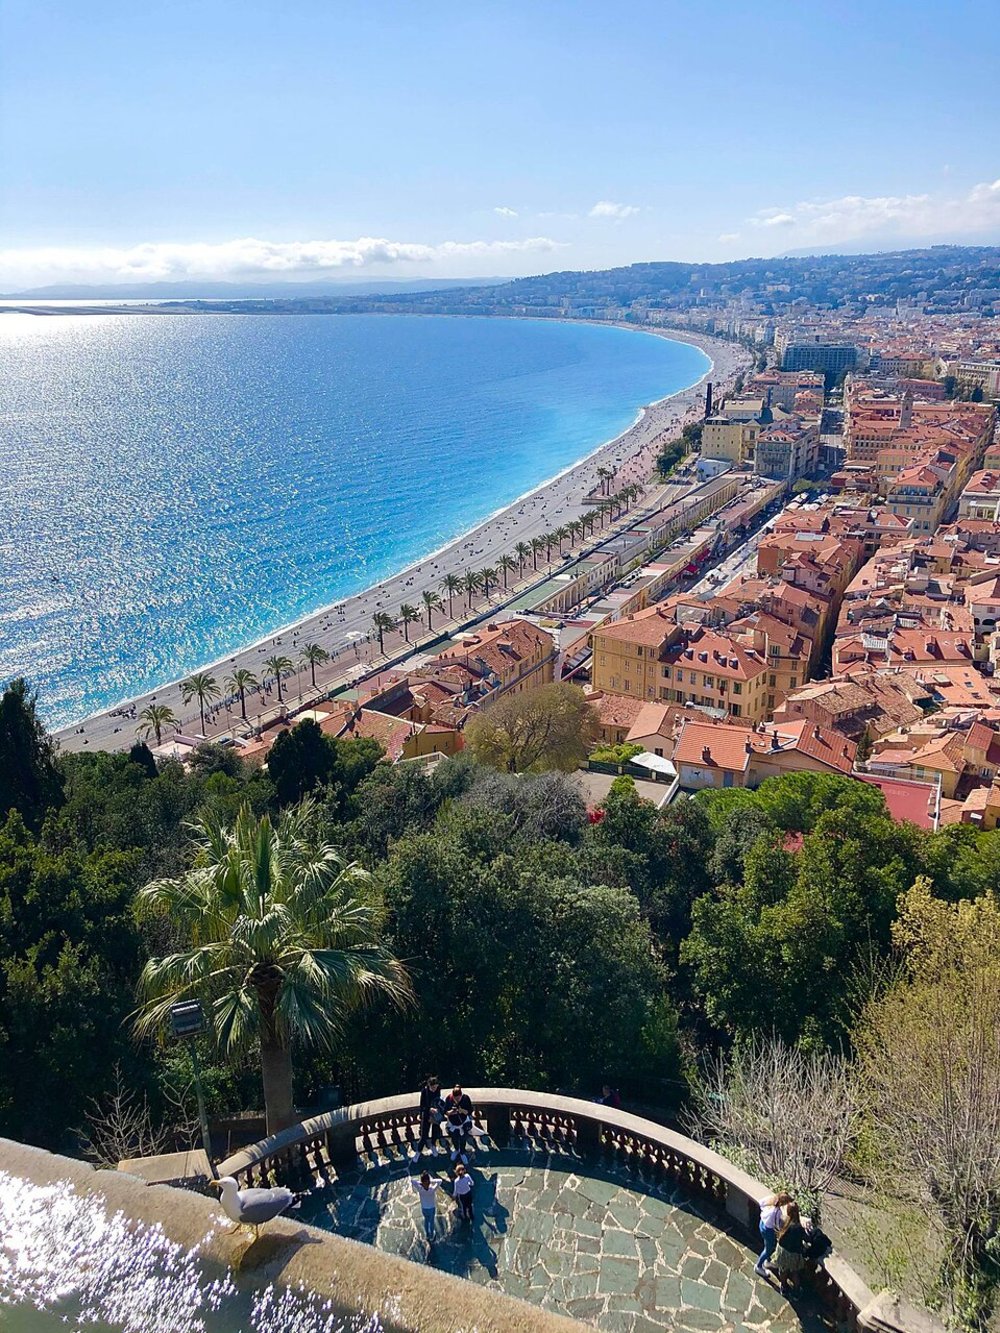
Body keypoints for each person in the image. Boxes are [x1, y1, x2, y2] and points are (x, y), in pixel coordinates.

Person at [772, 1201, 808, 1296]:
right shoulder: (798, 1227)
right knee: (795, 1273)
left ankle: (784, 1287)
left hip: (782, 1251)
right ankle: (796, 1292)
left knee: (783, 1270)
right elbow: (806, 1238)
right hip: (793, 1254)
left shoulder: (784, 1221)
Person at [754, 1191, 792, 1277]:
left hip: (762, 1224)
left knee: (767, 1244)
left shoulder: (770, 1200)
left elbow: (761, 1203)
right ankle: (759, 1266)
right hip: (768, 1230)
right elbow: (778, 1226)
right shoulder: (777, 1212)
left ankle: (767, 1260)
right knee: (769, 1249)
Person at [413, 1075, 443, 1159]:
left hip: (436, 1115)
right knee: (424, 1136)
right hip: (426, 1115)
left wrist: (437, 1109)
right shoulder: (424, 1092)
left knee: (435, 1132)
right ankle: (418, 1152)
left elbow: (438, 1101)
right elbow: (422, 1106)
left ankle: (433, 1146)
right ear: (429, 1085)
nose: (434, 1089)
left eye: (436, 1087)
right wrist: (430, 1109)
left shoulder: (438, 1090)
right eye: (433, 1087)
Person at [443, 1084, 474, 1163]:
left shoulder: (466, 1098)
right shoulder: (448, 1099)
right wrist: (452, 1112)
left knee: (463, 1138)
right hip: (452, 1123)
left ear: (461, 1095)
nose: (457, 1100)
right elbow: (445, 1112)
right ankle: (457, 1150)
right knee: (454, 1137)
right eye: (455, 1098)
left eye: (458, 1098)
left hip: (463, 1122)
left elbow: (469, 1111)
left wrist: (461, 1111)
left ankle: (462, 1152)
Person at [410, 1171, 442, 1244]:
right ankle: (431, 1235)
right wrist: (431, 1181)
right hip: (432, 1208)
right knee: (432, 1222)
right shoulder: (432, 1189)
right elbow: (440, 1181)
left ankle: (427, 1235)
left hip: (424, 1208)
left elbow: (412, 1181)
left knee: (426, 1221)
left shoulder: (420, 1189)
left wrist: (421, 1183)